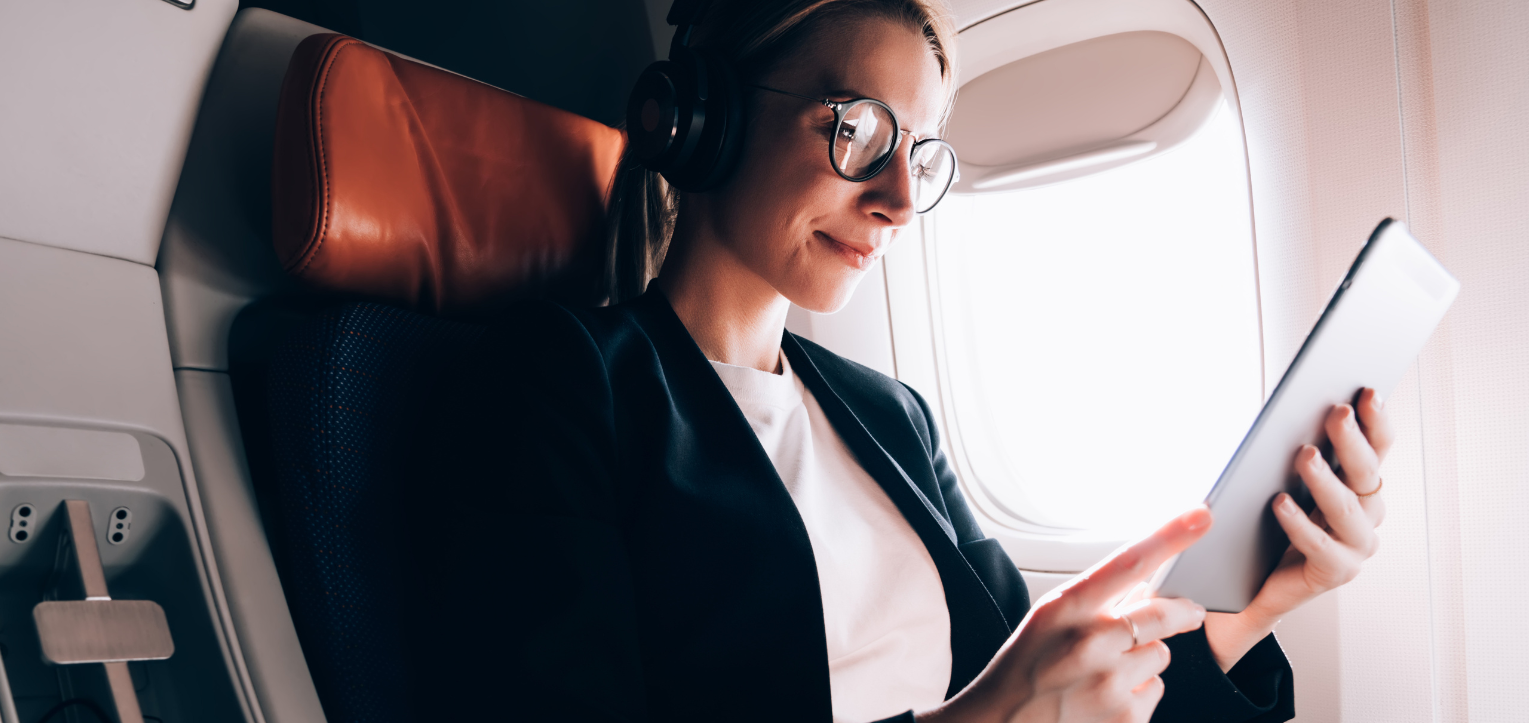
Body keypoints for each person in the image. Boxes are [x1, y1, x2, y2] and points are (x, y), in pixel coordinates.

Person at [410, 1, 1391, 721]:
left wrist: (1264, 599)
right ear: (702, 119)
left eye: (917, 153)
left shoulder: (890, 417)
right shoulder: (568, 381)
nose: (896, 199)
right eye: (857, 130)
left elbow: (1041, 684)